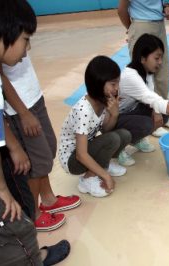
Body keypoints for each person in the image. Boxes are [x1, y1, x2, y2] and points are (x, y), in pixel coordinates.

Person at [0, 0, 70, 264]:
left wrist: (14, 145)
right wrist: (2, 188)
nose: (27, 50)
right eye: (25, 39)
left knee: (43, 155)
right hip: (19, 112)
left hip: (29, 104)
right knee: (18, 217)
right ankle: (32, 252)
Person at [0, 55, 81, 232]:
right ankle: (34, 213)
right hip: (18, 108)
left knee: (49, 149)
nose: (26, 49)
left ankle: (48, 198)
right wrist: (23, 113)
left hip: (33, 96)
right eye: (25, 40)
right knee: (37, 162)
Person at [59, 56, 132, 198]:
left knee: (123, 135)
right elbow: (81, 154)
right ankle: (87, 179)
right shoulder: (83, 110)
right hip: (72, 160)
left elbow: (105, 130)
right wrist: (106, 177)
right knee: (112, 139)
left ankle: (103, 165)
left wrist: (114, 114)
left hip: (85, 149)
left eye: (118, 82)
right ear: (98, 84)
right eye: (113, 84)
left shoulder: (103, 101)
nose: (117, 88)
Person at [117, 0, 169, 140]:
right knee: (143, 75)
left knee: (162, 72)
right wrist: (132, 29)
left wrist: (167, 8)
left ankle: (164, 116)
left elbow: (162, 4)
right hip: (141, 24)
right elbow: (122, 9)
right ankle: (150, 120)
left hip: (159, 24)